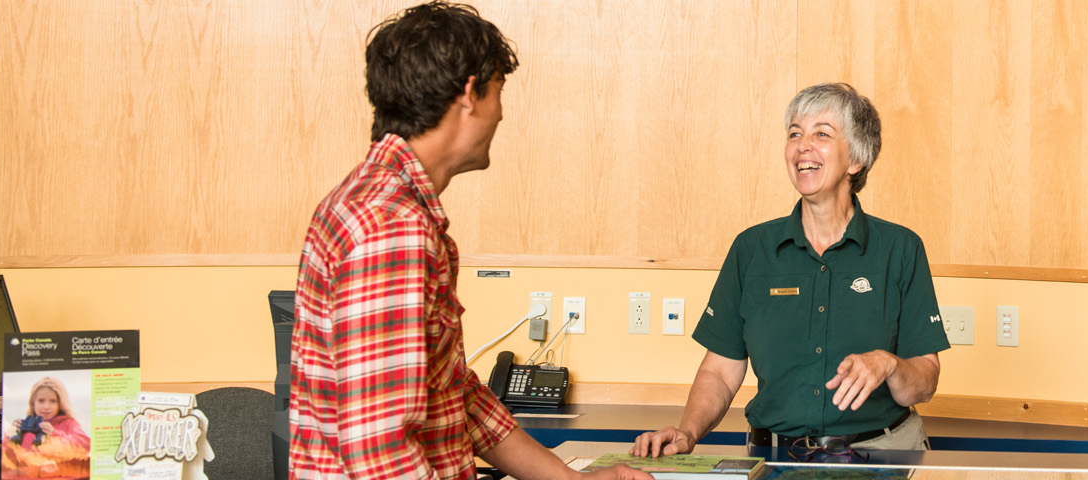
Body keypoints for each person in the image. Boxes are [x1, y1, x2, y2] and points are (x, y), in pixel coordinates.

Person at [289, 2, 648, 478]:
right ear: (469, 94)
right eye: (498, 91)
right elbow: (381, 452)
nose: (501, 114)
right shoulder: (392, 226)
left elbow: (455, 394)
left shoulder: (376, 201)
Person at [631, 83, 950, 458]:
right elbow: (720, 371)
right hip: (774, 460)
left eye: (821, 134)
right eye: (795, 133)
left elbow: (925, 382)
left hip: (883, 454)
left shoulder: (900, 249)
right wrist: (687, 431)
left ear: (856, 159)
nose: (803, 146)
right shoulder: (751, 250)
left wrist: (889, 365)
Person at [2, 377, 90, 479]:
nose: (46, 406)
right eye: (41, 401)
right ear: (33, 403)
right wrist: (10, 437)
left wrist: (55, 434)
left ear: (60, 404)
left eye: (53, 401)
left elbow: (86, 446)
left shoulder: (69, 424)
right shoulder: (25, 429)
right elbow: (9, 464)